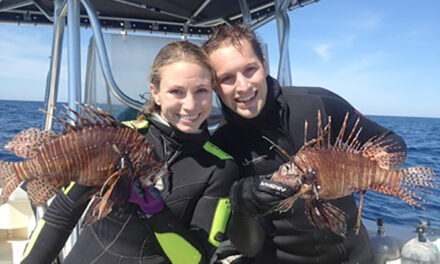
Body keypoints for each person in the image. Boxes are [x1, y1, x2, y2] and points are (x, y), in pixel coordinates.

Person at [21, 41, 239, 264]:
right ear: (155, 92)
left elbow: (197, 259)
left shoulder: (220, 166)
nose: (191, 105)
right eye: (176, 91)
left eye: (201, 90)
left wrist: (156, 213)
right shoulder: (115, 138)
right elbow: (62, 215)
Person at [203, 25, 407, 264]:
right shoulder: (221, 144)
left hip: (354, 257)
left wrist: (363, 170)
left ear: (265, 65)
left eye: (250, 69)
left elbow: (395, 145)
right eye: (227, 78)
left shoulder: (318, 103)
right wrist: (242, 203)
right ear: (214, 85)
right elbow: (247, 247)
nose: (243, 86)